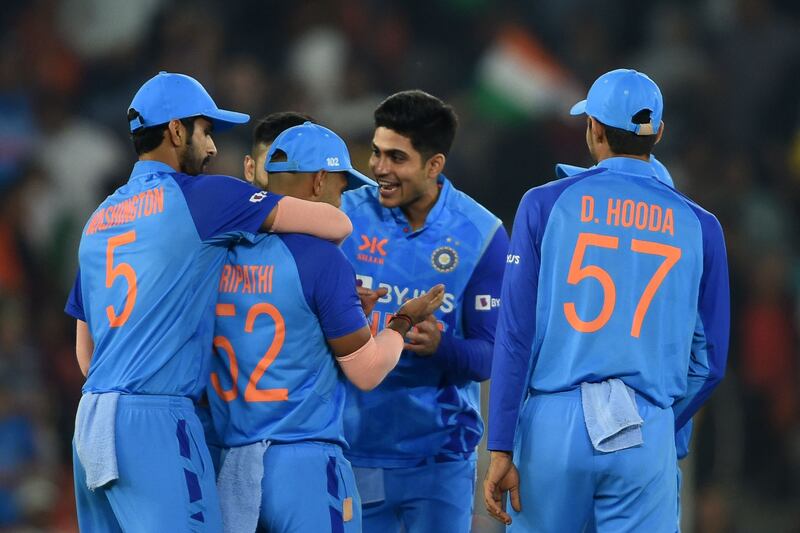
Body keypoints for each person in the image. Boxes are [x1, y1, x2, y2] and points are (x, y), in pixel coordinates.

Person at [63, 72, 352, 532]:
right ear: (176, 130)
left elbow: (86, 355)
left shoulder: (99, 219)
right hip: (155, 419)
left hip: (91, 420)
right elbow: (336, 224)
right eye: (207, 130)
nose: (214, 147)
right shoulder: (206, 197)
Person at [483, 68, 729, 531]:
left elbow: (515, 334)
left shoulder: (544, 203)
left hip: (552, 424)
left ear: (592, 129)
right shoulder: (702, 226)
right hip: (646, 423)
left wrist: (501, 444)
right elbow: (710, 363)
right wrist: (655, 422)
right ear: (658, 133)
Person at [208, 120, 446, 533]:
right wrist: (402, 321)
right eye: (340, 186)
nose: (341, 199)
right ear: (319, 181)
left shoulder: (220, 253)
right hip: (305, 462)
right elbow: (367, 371)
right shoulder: (322, 258)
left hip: (234, 465)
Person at [339, 90, 509, 532]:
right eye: (376, 153)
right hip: (350, 449)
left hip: (439, 460)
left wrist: (441, 348)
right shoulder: (342, 216)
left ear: (434, 165)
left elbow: (491, 354)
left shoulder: (482, 236)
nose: (378, 169)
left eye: (397, 158)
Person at [197, 110, 315, 472]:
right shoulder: (208, 243)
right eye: (273, 165)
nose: (283, 180)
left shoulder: (328, 254)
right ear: (249, 168)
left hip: (298, 445)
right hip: (214, 442)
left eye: (296, 167)